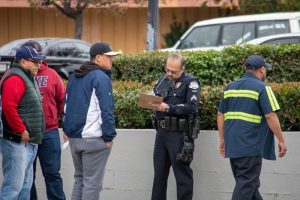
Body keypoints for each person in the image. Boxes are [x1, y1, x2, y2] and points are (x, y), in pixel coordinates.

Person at [217, 55, 288, 200]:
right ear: (262, 70)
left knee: (249, 185)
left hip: (233, 144)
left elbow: (220, 114)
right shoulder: (263, 88)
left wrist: (222, 139)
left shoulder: (230, 87)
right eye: (265, 69)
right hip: (250, 145)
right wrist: (281, 140)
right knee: (246, 185)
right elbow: (270, 116)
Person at [62, 41, 119, 200]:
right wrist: (109, 136)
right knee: (92, 184)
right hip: (93, 140)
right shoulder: (100, 77)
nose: (111, 60)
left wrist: (67, 131)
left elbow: (66, 105)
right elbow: (106, 110)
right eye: (109, 57)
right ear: (99, 58)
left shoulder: (74, 76)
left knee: (79, 180)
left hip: (74, 139)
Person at [20, 40, 66, 200]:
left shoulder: (52, 75)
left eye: (40, 58)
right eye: (35, 59)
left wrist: (64, 125)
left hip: (49, 133)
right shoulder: (16, 75)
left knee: (53, 174)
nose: (38, 63)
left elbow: (62, 100)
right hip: (26, 134)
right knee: (27, 177)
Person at [151, 53, 201, 200]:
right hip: (161, 133)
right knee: (159, 175)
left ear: (183, 69)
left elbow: (192, 107)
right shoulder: (163, 80)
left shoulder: (191, 82)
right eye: (167, 70)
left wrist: (168, 108)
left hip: (179, 135)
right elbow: (154, 96)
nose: (169, 74)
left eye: (173, 71)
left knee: (182, 176)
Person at [0, 46, 45, 199]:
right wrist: (21, 130)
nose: (39, 65)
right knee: (13, 187)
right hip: (17, 141)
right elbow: (8, 107)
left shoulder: (27, 77)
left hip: (28, 142)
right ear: (23, 61)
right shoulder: (15, 78)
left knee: (25, 187)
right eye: (35, 62)